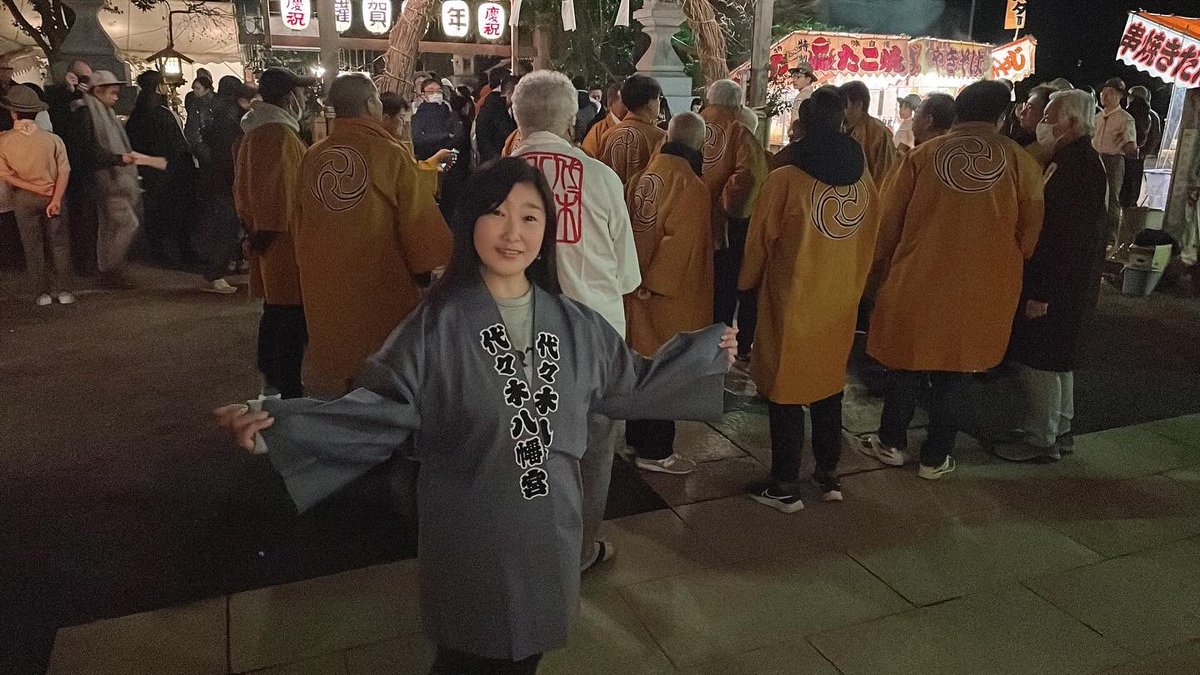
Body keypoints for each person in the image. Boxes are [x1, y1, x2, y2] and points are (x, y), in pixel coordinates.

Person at [216, 158, 736, 673]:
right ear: (470, 224)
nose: (513, 233)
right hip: (470, 528)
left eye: (529, 217)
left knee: (528, 650)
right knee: (469, 655)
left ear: (547, 232)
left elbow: (633, 382)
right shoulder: (436, 325)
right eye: (497, 213)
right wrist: (281, 427)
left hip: (549, 524)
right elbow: (380, 409)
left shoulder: (576, 324)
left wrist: (709, 355)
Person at [857, 80, 1044, 480]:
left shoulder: (922, 156)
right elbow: (1029, 236)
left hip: (919, 277)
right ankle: (935, 456)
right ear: (1002, 116)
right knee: (957, 371)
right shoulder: (1021, 162)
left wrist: (875, 271)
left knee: (907, 363)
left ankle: (891, 443)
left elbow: (887, 224)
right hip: (982, 286)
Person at [507, 71, 645, 566]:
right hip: (592, 343)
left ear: (517, 121)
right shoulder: (602, 178)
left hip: (512, 342)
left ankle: (522, 552)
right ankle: (578, 554)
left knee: (519, 447)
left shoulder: (494, 181)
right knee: (591, 452)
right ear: (571, 122)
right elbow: (626, 276)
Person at [740, 87, 881, 510]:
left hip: (793, 298)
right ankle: (828, 473)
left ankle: (785, 484)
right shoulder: (863, 178)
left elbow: (760, 240)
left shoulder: (785, 178)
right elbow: (871, 237)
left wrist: (745, 284)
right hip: (840, 300)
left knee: (785, 389)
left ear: (802, 124)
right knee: (828, 385)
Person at [295, 74, 453, 396]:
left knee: (342, 368)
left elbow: (298, 221)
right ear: (370, 104)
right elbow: (417, 222)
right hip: (378, 283)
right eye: (378, 99)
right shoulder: (389, 152)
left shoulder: (312, 156)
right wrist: (428, 272)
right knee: (382, 367)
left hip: (325, 282)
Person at [996, 89, 1108, 464]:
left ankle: (1040, 438)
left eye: (1048, 117)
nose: (1042, 124)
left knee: (1039, 361)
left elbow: (1062, 237)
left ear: (1071, 123)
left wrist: (1041, 292)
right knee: (1059, 360)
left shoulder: (1076, 167)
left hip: (1057, 284)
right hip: (1069, 284)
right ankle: (1060, 428)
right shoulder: (1078, 160)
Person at [624, 110, 715, 473]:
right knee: (667, 371)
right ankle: (656, 451)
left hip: (634, 285)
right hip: (666, 296)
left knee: (642, 366)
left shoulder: (641, 177)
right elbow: (679, 245)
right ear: (700, 144)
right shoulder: (691, 186)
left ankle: (635, 438)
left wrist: (635, 280)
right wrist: (655, 285)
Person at [235, 67, 316, 399]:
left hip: (274, 236)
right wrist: (263, 235)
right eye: (300, 93)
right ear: (288, 97)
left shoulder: (262, 130)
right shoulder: (277, 134)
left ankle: (278, 380)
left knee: (280, 311)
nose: (304, 99)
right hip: (282, 239)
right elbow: (275, 192)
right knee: (287, 314)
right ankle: (284, 386)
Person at [701, 79, 767, 330]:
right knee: (721, 290)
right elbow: (750, 176)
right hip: (724, 231)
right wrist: (726, 207)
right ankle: (716, 341)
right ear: (737, 105)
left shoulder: (690, 123)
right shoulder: (738, 132)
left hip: (685, 221)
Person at [0, 84, 74, 305]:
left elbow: (6, 174)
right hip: (53, 193)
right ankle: (64, 291)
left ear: (13, 113)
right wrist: (56, 198)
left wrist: (33, 188)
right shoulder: (52, 139)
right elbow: (64, 170)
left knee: (32, 245)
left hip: (23, 197)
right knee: (59, 244)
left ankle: (41, 293)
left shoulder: (4, 141)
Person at [125, 69, 198, 268]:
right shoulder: (161, 113)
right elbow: (176, 146)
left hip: (151, 170)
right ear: (158, 86)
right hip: (171, 172)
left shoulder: (138, 113)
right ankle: (181, 255)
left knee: (156, 213)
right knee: (177, 214)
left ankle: (160, 253)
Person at [79, 70, 140, 280]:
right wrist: (117, 158)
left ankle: (107, 267)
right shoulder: (87, 113)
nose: (116, 97)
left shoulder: (103, 112)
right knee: (126, 224)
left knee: (111, 226)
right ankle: (109, 267)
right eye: (112, 92)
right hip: (105, 178)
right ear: (98, 90)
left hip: (108, 177)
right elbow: (88, 149)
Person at [192, 75, 247, 294]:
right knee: (227, 225)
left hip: (214, 176)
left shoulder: (212, 109)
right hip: (225, 177)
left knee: (223, 224)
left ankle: (221, 268)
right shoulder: (230, 114)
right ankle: (215, 273)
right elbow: (228, 150)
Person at [1093, 77, 1137, 248]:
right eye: (1103, 92)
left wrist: (1129, 147)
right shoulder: (1097, 117)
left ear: (1120, 96)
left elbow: (1131, 145)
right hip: (1096, 158)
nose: (1104, 95)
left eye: (1110, 93)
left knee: (1111, 198)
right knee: (1093, 195)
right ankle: (1094, 233)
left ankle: (1111, 238)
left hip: (1113, 161)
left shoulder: (1125, 119)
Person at [599, 75, 665, 186]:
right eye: (659, 98)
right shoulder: (659, 138)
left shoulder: (607, 134)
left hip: (611, 194)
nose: (660, 103)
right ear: (650, 103)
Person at [840, 81, 897, 183]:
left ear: (858, 105)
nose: (840, 110)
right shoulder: (840, 129)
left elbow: (885, 178)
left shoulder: (879, 133)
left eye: (844, 105)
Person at [1120, 85, 1162, 210]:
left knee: (1124, 187)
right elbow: (1155, 137)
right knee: (1134, 186)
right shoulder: (1153, 115)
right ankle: (1131, 208)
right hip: (1140, 157)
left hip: (1124, 155)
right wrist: (1144, 153)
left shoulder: (1126, 113)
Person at [475, 73, 518, 163]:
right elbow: (506, 134)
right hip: (495, 162)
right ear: (510, 93)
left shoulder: (502, 108)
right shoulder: (495, 109)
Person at [580, 82, 625, 158]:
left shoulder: (638, 126)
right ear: (610, 104)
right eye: (624, 102)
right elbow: (587, 159)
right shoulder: (597, 130)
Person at [184, 74, 214, 153]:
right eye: (194, 88)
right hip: (195, 138)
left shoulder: (211, 102)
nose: (195, 90)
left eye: (198, 88)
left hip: (204, 140)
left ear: (207, 90)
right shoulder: (192, 99)